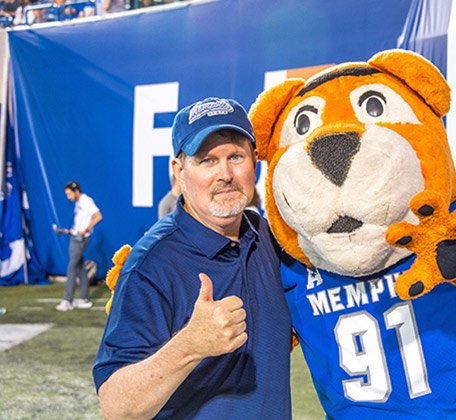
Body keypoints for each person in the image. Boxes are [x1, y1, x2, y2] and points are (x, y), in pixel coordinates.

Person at [93, 97, 292, 419]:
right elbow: (117, 408)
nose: (225, 174)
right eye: (207, 160)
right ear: (179, 171)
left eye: (235, 156)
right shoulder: (151, 264)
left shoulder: (270, 237)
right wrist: (190, 345)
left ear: (255, 161)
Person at [55, 181, 102, 312]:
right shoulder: (78, 203)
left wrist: (85, 230)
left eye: (69, 194)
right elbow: (79, 224)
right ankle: (84, 298)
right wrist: (67, 231)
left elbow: (98, 216)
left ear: (76, 191)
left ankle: (67, 300)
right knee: (80, 268)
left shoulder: (86, 201)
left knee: (71, 267)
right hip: (75, 236)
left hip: (81, 239)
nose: (68, 197)